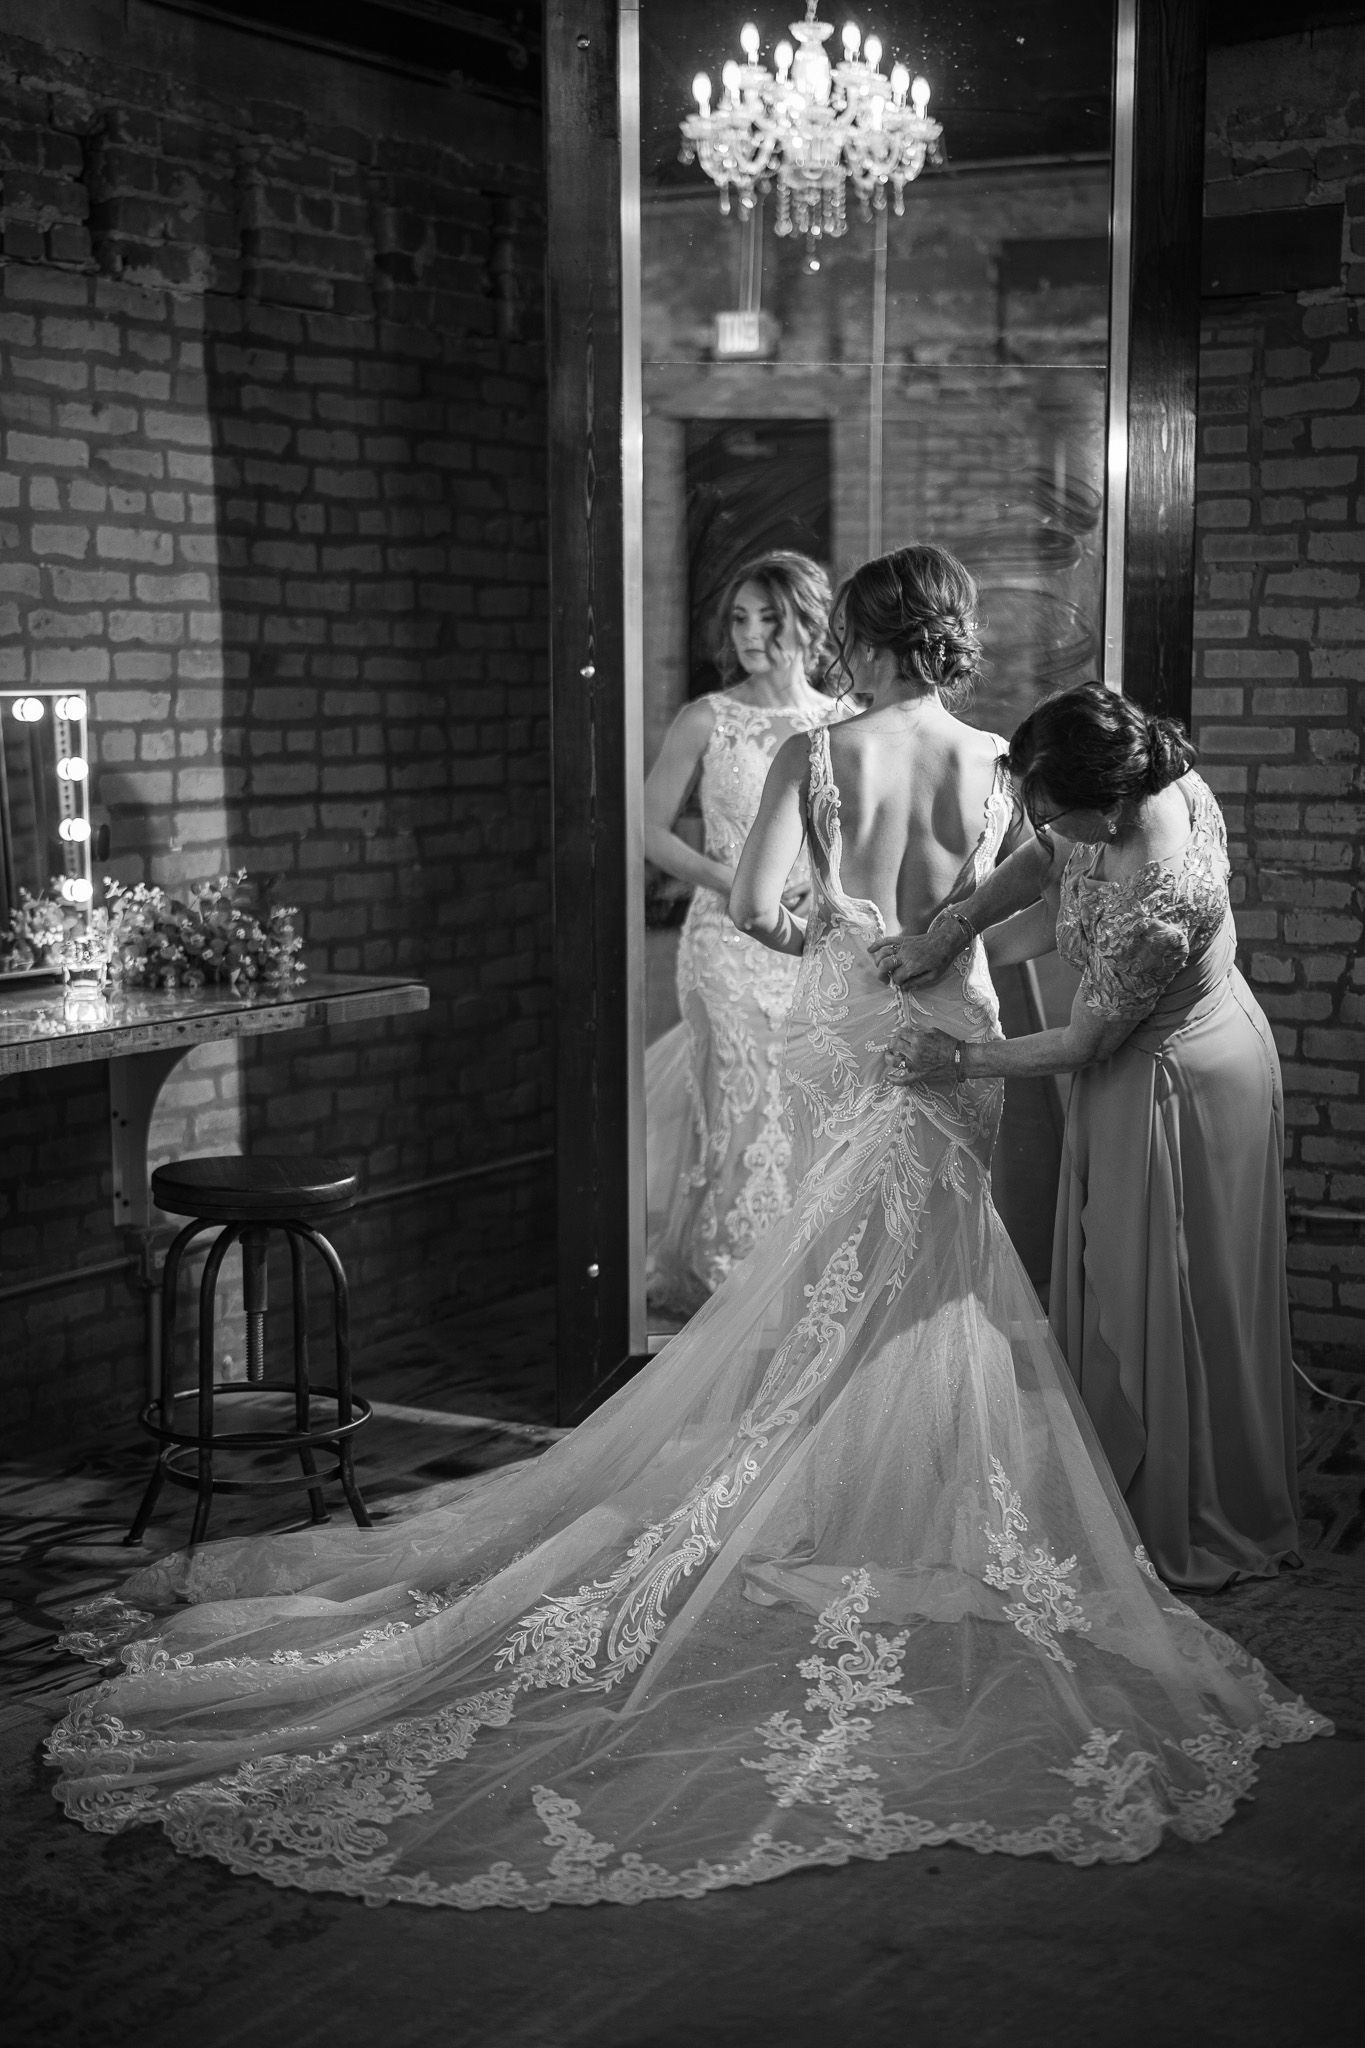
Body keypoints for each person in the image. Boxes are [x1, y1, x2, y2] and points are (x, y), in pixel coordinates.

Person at [48, 550, 1326, 1913]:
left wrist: (845, 931)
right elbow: (1007, 916)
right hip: (967, 1035)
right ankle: (939, 1505)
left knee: (844, 1266)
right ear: (946, 642)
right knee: (958, 1279)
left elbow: (772, 920)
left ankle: (854, 1499)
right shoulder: (992, 759)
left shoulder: (817, 761)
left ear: (857, 639)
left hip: (885, 1033)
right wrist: (943, 942)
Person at [875, 681, 1300, 1593]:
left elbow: (1081, 1042)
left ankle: (1183, 1503)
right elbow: (1039, 860)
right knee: (1128, 1283)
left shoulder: (1162, 893)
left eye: (1060, 813)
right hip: (1138, 1066)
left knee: (1177, 1293)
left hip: (1178, 1086)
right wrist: (949, 932)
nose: (1048, 828)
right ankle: (1125, 1467)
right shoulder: (1110, 797)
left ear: (1108, 806)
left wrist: (952, 1061)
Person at [643, 550, 846, 1315]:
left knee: (797, 1098)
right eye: (739, 617)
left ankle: (785, 1270)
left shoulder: (839, 721)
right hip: (722, 945)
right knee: (737, 1098)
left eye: (769, 616)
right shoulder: (707, 717)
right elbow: (646, 830)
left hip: (804, 939)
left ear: (808, 623)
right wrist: (732, 880)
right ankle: (722, 1277)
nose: (751, 633)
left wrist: (822, 881)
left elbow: (854, 833)